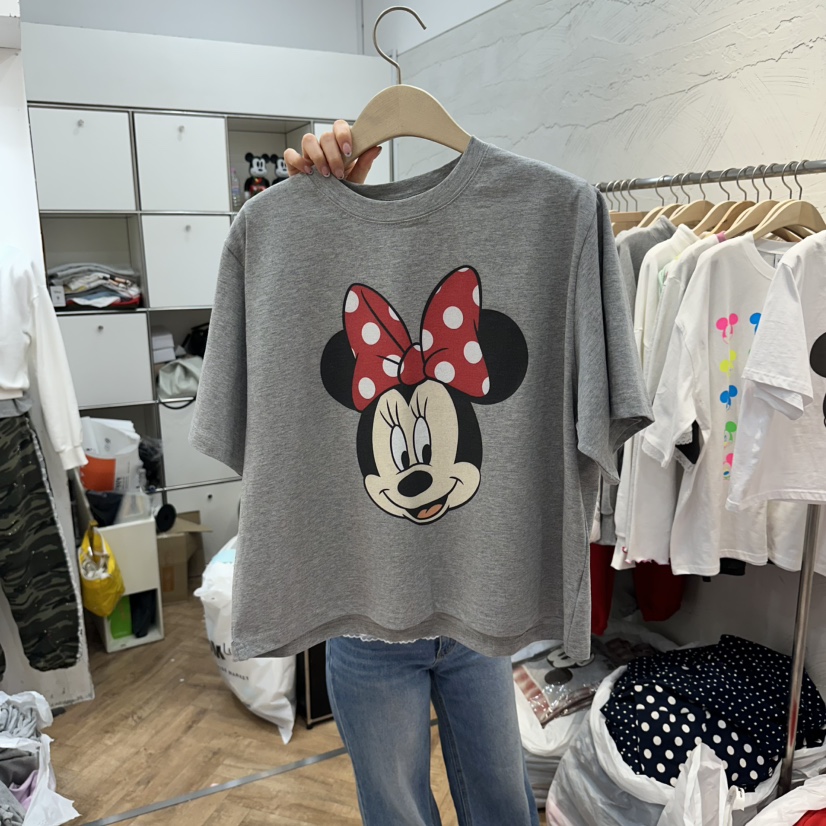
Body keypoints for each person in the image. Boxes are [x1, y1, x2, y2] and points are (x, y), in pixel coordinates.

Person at [283, 123, 541, 826]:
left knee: (506, 806)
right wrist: (313, 211)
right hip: (365, 616)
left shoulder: (541, 215)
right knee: (397, 813)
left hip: (474, 607)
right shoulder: (290, 242)